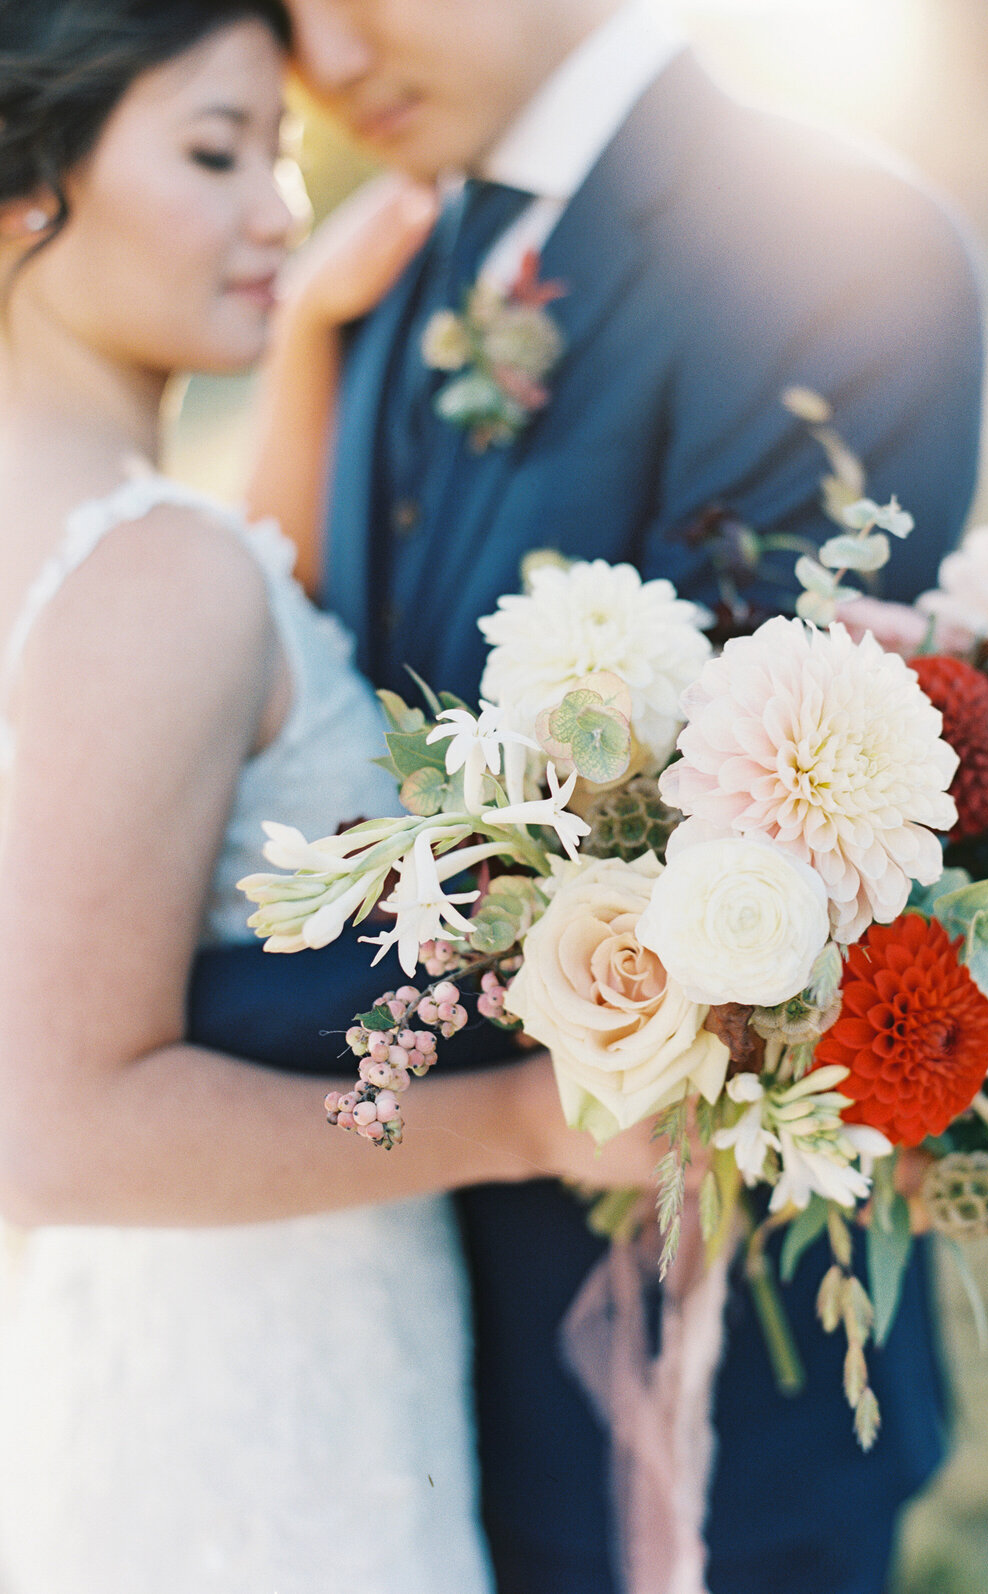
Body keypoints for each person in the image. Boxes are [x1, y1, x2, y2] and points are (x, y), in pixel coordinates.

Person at [229, 1, 986, 1591]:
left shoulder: (837, 245)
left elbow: (721, 863)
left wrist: (136, 1046)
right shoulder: (401, 266)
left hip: (698, 1372)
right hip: (393, 1345)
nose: (325, 59)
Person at [0, 5, 664, 1591]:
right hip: (256, 1406)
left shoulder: (103, 541)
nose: (279, 211)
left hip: (118, 1356)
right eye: (218, 152)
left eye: (282, 155)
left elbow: (223, 638)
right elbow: (56, 1128)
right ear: (27, 187)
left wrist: (299, 343)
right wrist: (524, 1118)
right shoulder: (154, 574)